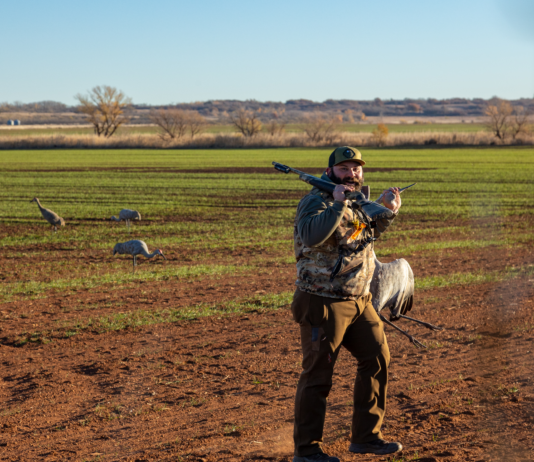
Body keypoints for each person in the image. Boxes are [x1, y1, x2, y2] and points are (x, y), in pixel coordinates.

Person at [291, 147, 403, 462]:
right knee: (318, 375)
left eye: (356, 168)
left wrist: (388, 212)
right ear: (330, 172)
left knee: (377, 357)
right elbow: (312, 236)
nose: (352, 173)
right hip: (322, 301)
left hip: (358, 299)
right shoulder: (316, 201)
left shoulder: (355, 200)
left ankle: (367, 437)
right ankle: (307, 450)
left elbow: (363, 236)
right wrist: (337, 204)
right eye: (344, 168)